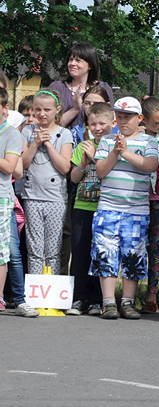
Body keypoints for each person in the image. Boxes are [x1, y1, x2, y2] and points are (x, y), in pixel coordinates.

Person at [90, 97, 159, 320]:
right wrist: (114, 152)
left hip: (136, 210)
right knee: (105, 253)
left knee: (133, 255)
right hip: (108, 208)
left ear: (140, 118)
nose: (123, 121)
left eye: (127, 117)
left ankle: (128, 301)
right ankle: (108, 302)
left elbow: (150, 165)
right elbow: (100, 171)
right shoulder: (107, 140)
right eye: (119, 116)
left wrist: (126, 152)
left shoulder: (149, 141)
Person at [66, 102, 114, 315]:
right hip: (82, 205)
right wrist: (84, 162)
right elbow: (74, 178)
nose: (97, 127)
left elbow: (110, 173)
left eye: (102, 123)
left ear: (112, 123)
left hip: (105, 206)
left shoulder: (115, 146)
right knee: (80, 252)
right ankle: (78, 297)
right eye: (92, 123)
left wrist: (96, 156)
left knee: (100, 253)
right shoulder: (82, 146)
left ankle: (96, 299)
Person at [21, 90, 73, 277]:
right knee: (34, 249)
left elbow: (65, 167)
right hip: (32, 197)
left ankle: (51, 290)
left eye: (47, 109)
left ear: (57, 110)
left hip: (56, 199)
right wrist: (35, 143)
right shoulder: (27, 132)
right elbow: (23, 164)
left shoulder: (64, 134)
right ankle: (35, 290)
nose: (42, 114)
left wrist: (49, 145)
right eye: (38, 109)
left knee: (53, 249)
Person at [0, 88, 31, 316]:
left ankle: (14, 298)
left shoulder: (11, 134)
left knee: (8, 251)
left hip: (2, 198)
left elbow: (11, 167)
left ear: (4, 109)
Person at [48, 42, 114, 129]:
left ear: (90, 65)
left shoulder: (103, 87)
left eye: (78, 61)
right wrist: (75, 109)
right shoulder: (57, 88)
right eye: (71, 59)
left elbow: (111, 121)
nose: (72, 63)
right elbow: (50, 126)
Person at [141, 96, 159, 313]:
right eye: (158, 123)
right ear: (145, 121)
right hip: (139, 198)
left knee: (156, 247)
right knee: (136, 246)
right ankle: (128, 292)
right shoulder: (138, 138)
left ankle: (153, 293)